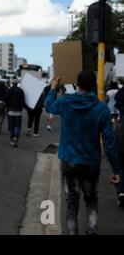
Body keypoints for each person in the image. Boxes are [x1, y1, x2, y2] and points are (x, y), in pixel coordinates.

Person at [46, 71, 122, 235]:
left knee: (71, 204)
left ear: (77, 84)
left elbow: (49, 106)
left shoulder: (66, 102)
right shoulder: (101, 109)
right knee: (91, 201)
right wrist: (116, 170)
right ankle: (91, 232)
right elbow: (109, 143)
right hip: (91, 163)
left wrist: (53, 88)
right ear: (94, 85)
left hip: (69, 160)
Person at [3, 77, 25, 148]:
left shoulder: (9, 90)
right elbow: (23, 102)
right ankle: (16, 137)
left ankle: (12, 140)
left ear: (11, 83)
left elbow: (5, 99)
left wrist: (8, 105)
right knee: (18, 126)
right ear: (17, 83)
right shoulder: (21, 91)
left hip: (10, 111)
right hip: (18, 111)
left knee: (12, 126)